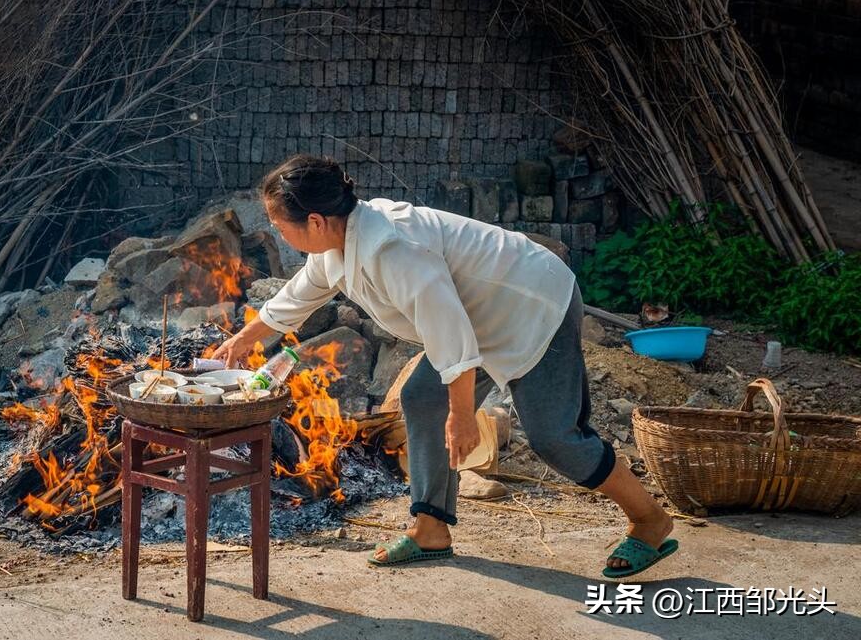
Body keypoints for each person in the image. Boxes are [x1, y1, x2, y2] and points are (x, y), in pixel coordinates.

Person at [212, 154, 678, 577]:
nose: (278, 234)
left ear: (315, 220)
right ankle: (431, 529)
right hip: (476, 317)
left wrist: (461, 417)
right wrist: (240, 342)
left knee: (553, 437)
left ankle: (649, 520)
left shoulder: (393, 249)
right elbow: (298, 296)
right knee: (420, 398)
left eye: (280, 225)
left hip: (532, 304)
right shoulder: (337, 243)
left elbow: (450, 335)